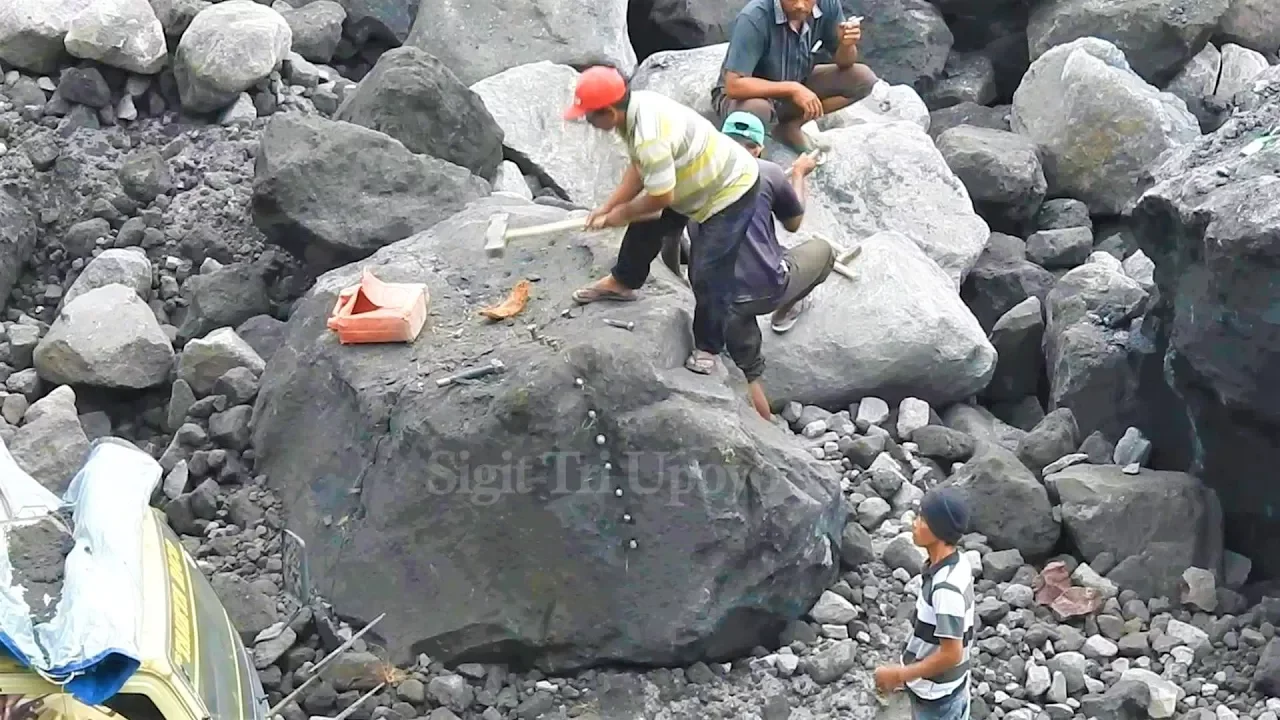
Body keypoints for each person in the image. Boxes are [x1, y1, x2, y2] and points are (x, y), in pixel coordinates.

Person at [564, 65, 762, 376]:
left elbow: (660, 198)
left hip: (728, 189)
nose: (588, 121)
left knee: (708, 270)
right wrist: (610, 205)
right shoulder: (633, 111)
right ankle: (624, 282)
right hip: (687, 176)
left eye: (590, 115)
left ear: (609, 112)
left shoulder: (648, 134)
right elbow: (639, 168)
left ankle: (708, 345)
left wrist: (621, 214)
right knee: (645, 224)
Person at [714, 111, 833, 420]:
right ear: (758, 148)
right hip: (763, 288)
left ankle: (764, 430)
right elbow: (794, 223)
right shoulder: (767, 171)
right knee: (823, 251)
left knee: (749, 373)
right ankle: (784, 311)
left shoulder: (695, 172)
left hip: (717, 297)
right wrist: (797, 175)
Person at [713, 0, 879, 152]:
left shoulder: (826, 6)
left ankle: (789, 125)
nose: (800, 5)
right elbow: (734, 86)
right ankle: (752, 155)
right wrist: (792, 89)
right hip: (748, 96)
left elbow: (845, 63)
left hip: (795, 77)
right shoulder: (754, 17)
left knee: (862, 79)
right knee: (757, 109)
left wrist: (847, 45)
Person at [874, 487, 975, 720]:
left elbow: (951, 655)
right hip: (951, 687)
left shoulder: (945, 589)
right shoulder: (956, 562)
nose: (914, 522)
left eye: (922, 518)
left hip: (937, 698)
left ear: (939, 530)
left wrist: (901, 675)